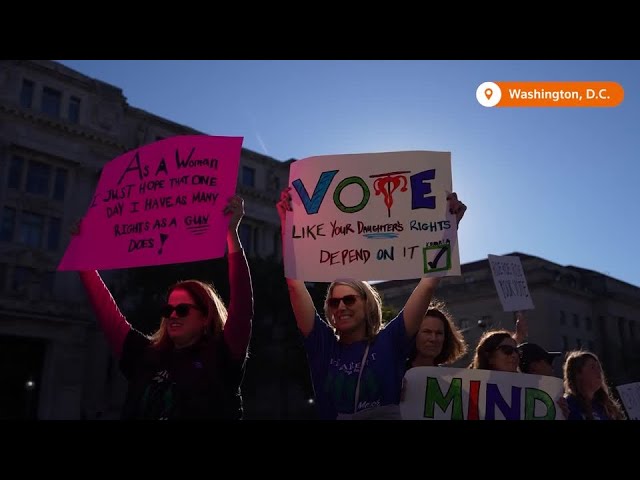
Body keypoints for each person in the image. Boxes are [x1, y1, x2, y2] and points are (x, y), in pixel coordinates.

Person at [276, 187, 467, 420]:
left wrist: (449, 227)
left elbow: (428, 284)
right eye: (334, 302)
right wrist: (288, 225)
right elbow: (295, 286)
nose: (341, 307)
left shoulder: (391, 340)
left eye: (349, 299)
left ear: (368, 305)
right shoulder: (323, 345)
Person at [76, 195, 253, 419]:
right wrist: (82, 254)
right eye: (168, 310)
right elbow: (106, 311)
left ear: (206, 317)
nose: (172, 316)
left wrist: (231, 235)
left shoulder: (222, 357)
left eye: (182, 310)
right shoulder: (144, 355)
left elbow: (242, 308)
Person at [562, 350, 626, 420]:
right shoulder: (568, 406)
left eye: (598, 367)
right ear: (578, 374)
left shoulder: (605, 405)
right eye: (592, 367)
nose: (598, 371)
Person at [406, 299, 468, 369]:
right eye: (427, 332)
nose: (433, 338)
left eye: (439, 333)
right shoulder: (395, 374)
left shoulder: (446, 378)